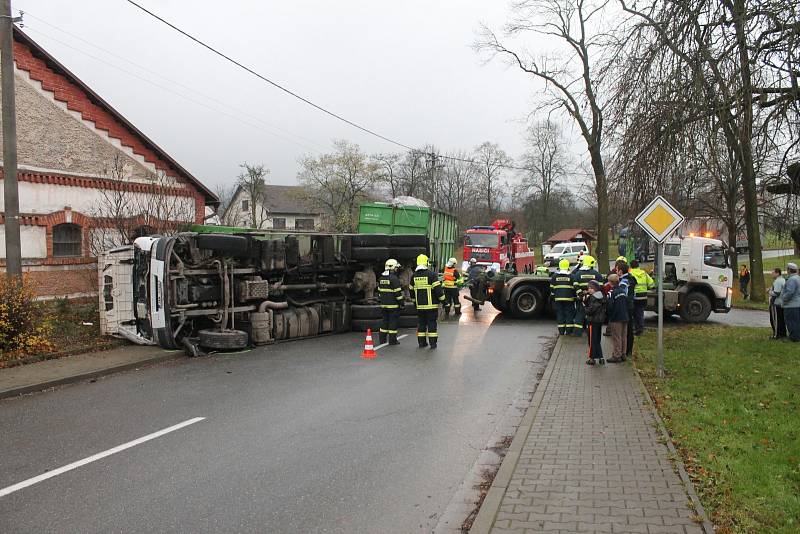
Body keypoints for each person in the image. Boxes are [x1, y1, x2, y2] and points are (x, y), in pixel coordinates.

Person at [411, 254, 445, 349]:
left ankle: (421, 343)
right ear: (426, 263)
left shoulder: (413, 276)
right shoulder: (432, 275)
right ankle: (433, 344)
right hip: (431, 307)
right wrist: (444, 301)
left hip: (420, 307)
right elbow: (438, 291)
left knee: (421, 325)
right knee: (431, 325)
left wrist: (415, 303)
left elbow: (411, 291)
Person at [571, 255, 604, 336]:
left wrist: (581, 294)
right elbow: (601, 287)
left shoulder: (578, 274)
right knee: (591, 315)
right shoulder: (597, 274)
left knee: (579, 314)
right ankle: (590, 332)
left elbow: (575, 285)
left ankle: (577, 333)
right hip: (593, 299)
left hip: (581, 298)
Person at [377, 259, 404, 345]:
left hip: (383, 305)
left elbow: (379, 293)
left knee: (384, 322)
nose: (397, 269)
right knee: (392, 323)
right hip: (393, 306)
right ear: (392, 268)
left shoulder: (381, 278)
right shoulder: (394, 279)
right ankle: (392, 340)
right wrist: (402, 303)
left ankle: (382, 339)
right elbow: (398, 294)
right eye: (396, 268)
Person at [583, 279, 607, 365]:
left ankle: (591, 358)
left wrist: (584, 308)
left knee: (591, 340)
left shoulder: (594, 298)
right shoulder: (602, 296)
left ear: (595, 289)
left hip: (592, 321)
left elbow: (591, 310)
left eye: (590, 288)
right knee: (597, 340)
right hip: (599, 321)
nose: (588, 290)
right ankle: (601, 357)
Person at [616, 260, 637, 359]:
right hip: (631, 305)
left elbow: (623, 295)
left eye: (617, 270)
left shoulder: (623, 282)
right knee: (629, 329)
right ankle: (628, 350)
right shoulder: (631, 278)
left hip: (626, 306)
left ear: (620, 271)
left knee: (626, 329)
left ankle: (626, 351)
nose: (616, 272)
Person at [606, 273, 629, 363]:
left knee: (616, 337)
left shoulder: (611, 293)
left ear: (610, 283)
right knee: (624, 336)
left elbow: (609, 306)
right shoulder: (623, 291)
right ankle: (623, 354)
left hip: (616, 318)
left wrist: (609, 316)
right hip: (625, 316)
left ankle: (616, 355)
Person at [550, 258, 576, 336]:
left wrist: (553, 297)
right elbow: (575, 288)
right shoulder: (572, 276)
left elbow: (552, 288)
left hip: (558, 299)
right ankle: (568, 332)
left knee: (560, 314)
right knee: (569, 314)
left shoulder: (554, 276)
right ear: (568, 266)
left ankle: (561, 332)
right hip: (569, 299)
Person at [629, 259, 655, 335]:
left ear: (631, 266)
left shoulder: (630, 273)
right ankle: (640, 329)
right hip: (643, 296)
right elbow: (651, 284)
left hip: (634, 296)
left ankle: (633, 329)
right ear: (638, 266)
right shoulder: (644, 273)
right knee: (640, 313)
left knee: (632, 314)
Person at [781, 263, 800, 342]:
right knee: (797, 321)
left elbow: (790, 292)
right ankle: (797, 336)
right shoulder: (798, 278)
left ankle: (793, 337)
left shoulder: (792, 279)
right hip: (797, 303)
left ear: (789, 270)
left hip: (791, 305)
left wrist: (784, 299)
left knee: (791, 321)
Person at [769, 268, 786, 340]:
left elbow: (776, 293)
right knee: (781, 319)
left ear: (777, 273)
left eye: (773, 273)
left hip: (776, 303)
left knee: (775, 320)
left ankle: (776, 335)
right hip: (782, 303)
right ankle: (782, 334)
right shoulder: (783, 280)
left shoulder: (778, 281)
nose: (772, 274)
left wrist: (769, 292)